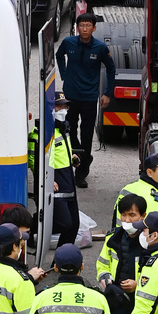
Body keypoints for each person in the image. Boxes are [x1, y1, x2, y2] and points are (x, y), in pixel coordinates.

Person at [55, 12, 116, 189]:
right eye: (82, 25)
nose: (85, 29)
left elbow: (111, 69)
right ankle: (82, 158)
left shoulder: (100, 48)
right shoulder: (68, 43)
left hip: (89, 98)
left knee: (87, 134)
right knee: (69, 131)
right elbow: (59, 56)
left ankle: (81, 174)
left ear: (94, 28)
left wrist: (107, 93)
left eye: (88, 25)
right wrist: (64, 74)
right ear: (77, 27)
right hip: (70, 97)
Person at [112, 152, 158, 227]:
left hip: (117, 237)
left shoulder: (127, 188)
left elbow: (115, 220)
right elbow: (154, 231)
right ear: (149, 172)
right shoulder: (152, 198)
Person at [51, 96, 81, 248]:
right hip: (56, 183)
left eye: (65, 107)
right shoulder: (44, 132)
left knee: (74, 225)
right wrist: (48, 179)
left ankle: (61, 259)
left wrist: (72, 157)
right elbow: (34, 161)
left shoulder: (63, 129)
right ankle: (31, 229)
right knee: (65, 224)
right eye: (59, 107)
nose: (63, 110)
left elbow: (61, 153)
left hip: (68, 182)